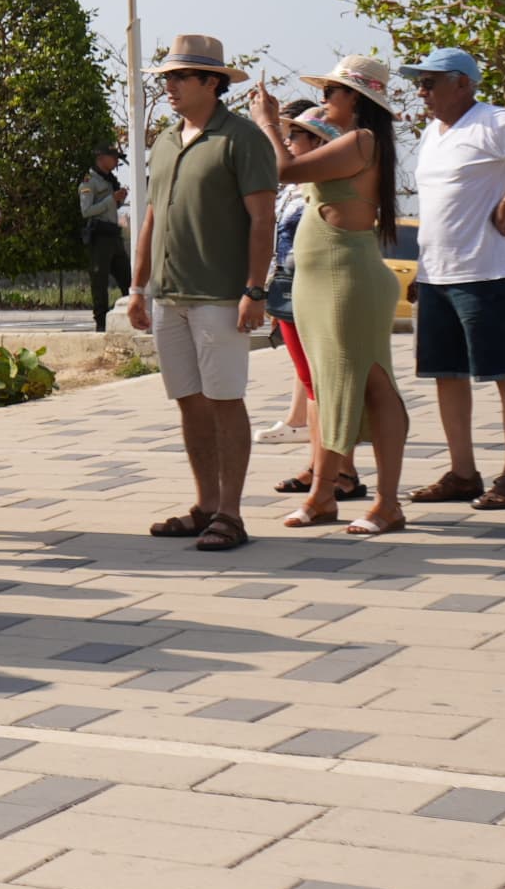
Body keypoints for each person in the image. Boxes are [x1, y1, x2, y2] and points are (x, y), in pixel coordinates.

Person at [127, 35, 278, 555]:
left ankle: (231, 514)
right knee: (189, 402)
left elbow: (263, 219)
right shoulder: (165, 140)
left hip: (220, 294)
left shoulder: (242, 139)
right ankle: (205, 505)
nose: (168, 86)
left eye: (178, 77)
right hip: (169, 295)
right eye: (167, 77)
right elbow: (151, 216)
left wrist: (255, 289)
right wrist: (138, 286)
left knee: (224, 399)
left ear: (211, 82)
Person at [250, 63, 412, 535]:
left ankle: (382, 502)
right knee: (334, 386)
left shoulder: (362, 141)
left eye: (331, 91)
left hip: (347, 280)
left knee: (372, 386)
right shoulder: (359, 141)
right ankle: (326, 495)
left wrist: (266, 120)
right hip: (327, 281)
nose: (324, 98)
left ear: (355, 98)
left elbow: (284, 169)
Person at [401, 49, 505, 507]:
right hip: (437, 275)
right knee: (446, 375)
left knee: (504, 372)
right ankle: (462, 472)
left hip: (485, 272)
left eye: (431, 83)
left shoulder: (492, 121)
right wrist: (421, 269)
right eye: (421, 82)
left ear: (463, 84)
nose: (422, 91)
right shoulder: (433, 132)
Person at [255, 178, 316, 446]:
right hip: (285, 280)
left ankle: (315, 430)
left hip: (310, 281)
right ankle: (298, 420)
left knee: (311, 361)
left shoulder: (320, 184)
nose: (287, 142)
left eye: (294, 136)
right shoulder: (290, 189)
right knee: (300, 359)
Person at [79, 146, 129, 333]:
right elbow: (86, 211)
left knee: (127, 278)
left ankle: (133, 314)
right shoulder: (89, 182)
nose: (116, 161)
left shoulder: (110, 181)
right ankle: (101, 322)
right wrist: (111, 199)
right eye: (113, 157)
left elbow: (112, 207)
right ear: (101, 158)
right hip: (100, 237)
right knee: (99, 281)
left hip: (114, 235)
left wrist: (120, 198)